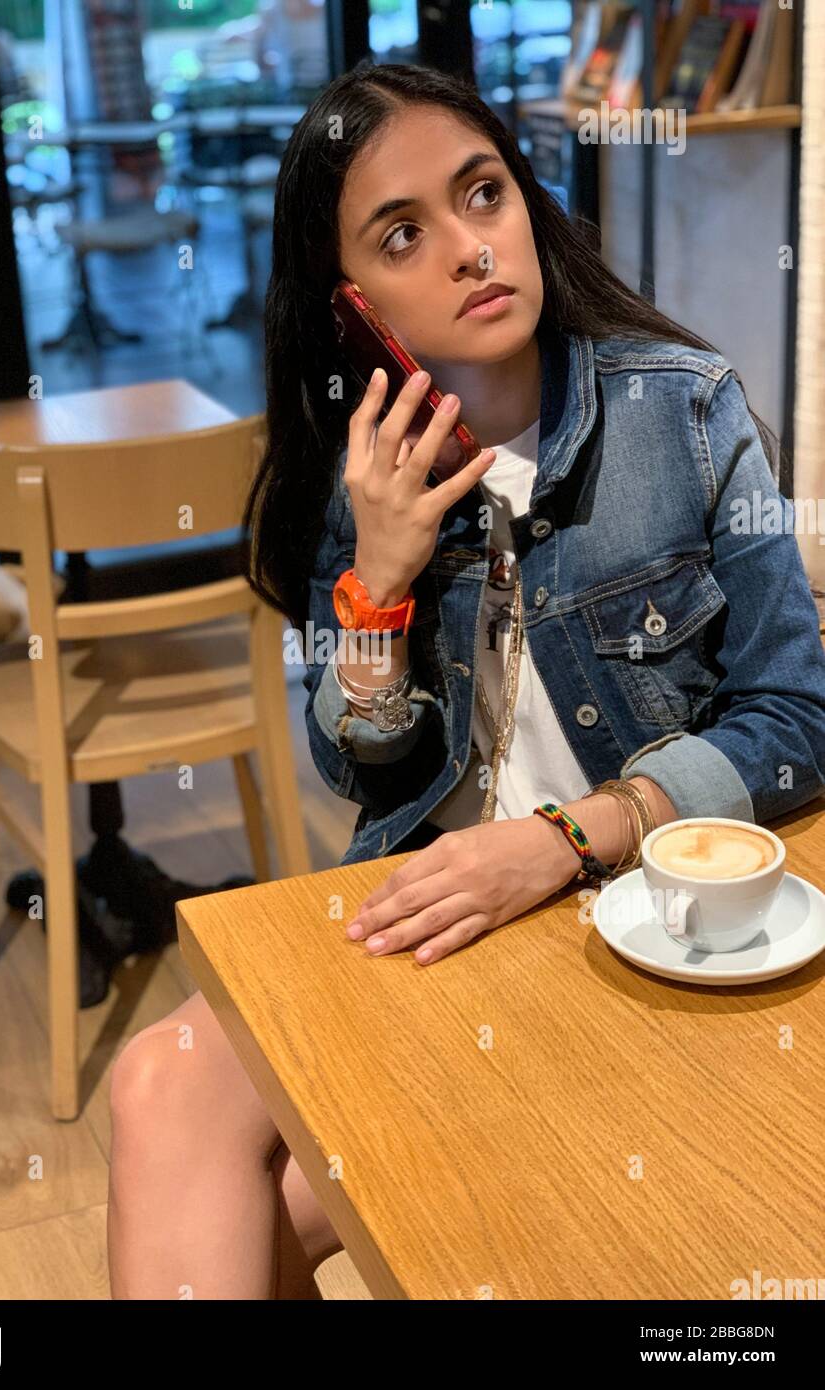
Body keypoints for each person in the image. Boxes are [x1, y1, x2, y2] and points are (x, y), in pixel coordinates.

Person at [107, 62, 825, 1299]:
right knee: (158, 1079)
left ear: (525, 200)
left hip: (621, 916)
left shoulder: (690, 413)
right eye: (404, 234)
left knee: (270, 1207)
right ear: (357, 304)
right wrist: (377, 586)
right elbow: (356, 762)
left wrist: (567, 838)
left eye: (482, 194)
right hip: (427, 905)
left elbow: (799, 713)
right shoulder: (368, 469)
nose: (469, 249)